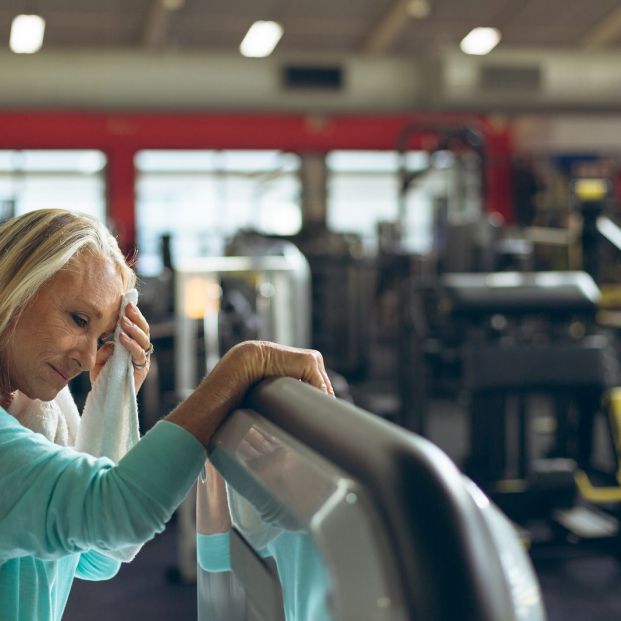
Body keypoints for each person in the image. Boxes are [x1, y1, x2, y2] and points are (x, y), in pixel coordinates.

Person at [0, 208, 333, 621]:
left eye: (102, 338)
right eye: (78, 319)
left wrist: (115, 395)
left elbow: (94, 558)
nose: (87, 358)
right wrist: (243, 364)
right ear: (13, 284)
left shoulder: (26, 416)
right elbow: (115, 515)